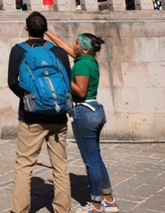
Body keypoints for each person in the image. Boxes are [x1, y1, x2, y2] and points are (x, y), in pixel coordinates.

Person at [46, 29, 119, 213]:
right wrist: (48, 31)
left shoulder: (80, 66)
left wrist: (61, 75)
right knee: (97, 158)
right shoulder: (88, 60)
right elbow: (62, 46)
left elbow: (80, 91)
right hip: (95, 110)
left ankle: (96, 205)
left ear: (85, 49)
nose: (73, 45)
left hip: (84, 112)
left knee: (91, 162)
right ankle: (109, 200)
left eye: (77, 43)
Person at [8, 12, 72, 213]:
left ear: (26, 27)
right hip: (58, 115)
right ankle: (62, 209)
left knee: (24, 166)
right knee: (60, 166)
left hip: (31, 117)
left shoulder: (18, 51)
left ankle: (20, 210)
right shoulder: (59, 52)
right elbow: (67, 81)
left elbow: (12, 82)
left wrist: (29, 100)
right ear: (46, 29)